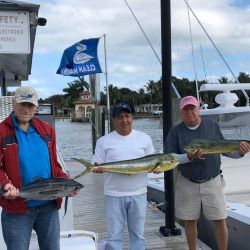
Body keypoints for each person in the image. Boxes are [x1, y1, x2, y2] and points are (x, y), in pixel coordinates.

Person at [165, 96, 250, 250]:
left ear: (198, 109)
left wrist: (241, 152)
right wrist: (189, 157)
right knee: (190, 221)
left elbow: (225, 150)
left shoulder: (212, 125)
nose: (190, 112)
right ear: (181, 112)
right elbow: (170, 158)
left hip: (213, 181)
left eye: (192, 108)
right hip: (187, 182)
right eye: (186, 109)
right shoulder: (175, 132)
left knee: (220, 220)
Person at [0, 86, 74, 250]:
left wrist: (67, 183)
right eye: (22, 104)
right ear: (13, 103)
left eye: (30, 105)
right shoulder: (1, 132)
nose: (26, 109)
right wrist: (6, 184)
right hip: (16, 207)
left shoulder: (47, 130)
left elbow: (54, 165)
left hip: (48, 205)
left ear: (36, 106)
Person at [92, 103, 155, 250]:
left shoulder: (144, 138)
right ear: (113, 120)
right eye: (120, 117)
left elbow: (153, 161)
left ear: (132, 117)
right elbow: (96, 161)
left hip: (139, 193)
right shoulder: (104, 141)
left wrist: (156, 168)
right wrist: (96, 166)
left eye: (127, 116)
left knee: (138, 236)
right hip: (113, 194)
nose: (124, 120)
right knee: (114, 237)